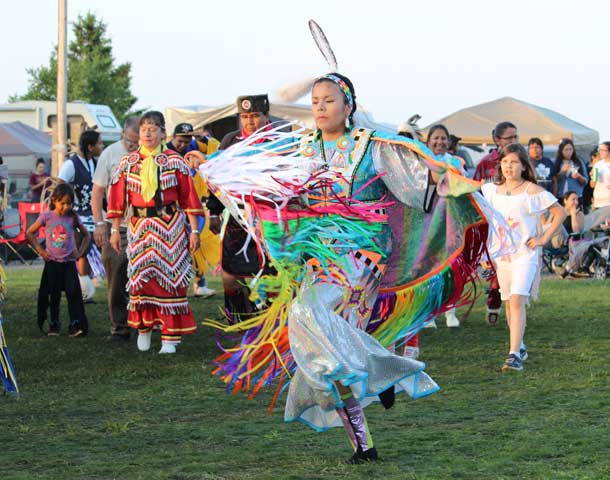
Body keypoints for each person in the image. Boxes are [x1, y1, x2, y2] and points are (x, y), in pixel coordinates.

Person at [201, 73, 488, 463]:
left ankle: (383, 370)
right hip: (317, 260)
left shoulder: (371, 148)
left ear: (349, 106)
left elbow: (418, 188)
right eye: (315, 100)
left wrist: (444, 175)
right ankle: (364, 442)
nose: (319, 107)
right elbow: (271, 190)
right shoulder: (302, 148)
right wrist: (215, 167)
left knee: (311, 320)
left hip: (362, 261)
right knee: (322, 352)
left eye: (329, 100)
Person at [107, 111, 204, 354]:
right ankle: (145, 329)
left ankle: (170, 337)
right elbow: (117, 200)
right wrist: (114, 230)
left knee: (169, 281)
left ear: (163, 132)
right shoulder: (127, 163)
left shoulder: (175, 161)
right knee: (141, 281)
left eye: (153, 128)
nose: (148, 132)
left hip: (169, 227)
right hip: (139, 228)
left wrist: (194, 231)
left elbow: (188, 197)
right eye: (144, 128)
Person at [482, 143, 565, 372]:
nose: (509, 166)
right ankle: (519, 346)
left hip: (525, 255)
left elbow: (560, 212)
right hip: (502, 257)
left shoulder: (532, 191)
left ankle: (513, 356)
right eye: (505, 161)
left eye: (514, 162)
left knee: (518, 299)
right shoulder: (490, 190)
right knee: (509, 302)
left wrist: (543, 239)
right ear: (500, 164)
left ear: (523, 166)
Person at [207, 94, 274, 321]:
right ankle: (237, 318)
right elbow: (215, 178)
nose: (250, 122)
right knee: (230, 275)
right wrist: (214, 212)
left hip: (270, 219)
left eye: (255, 116)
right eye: (245, 116)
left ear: (266, 116)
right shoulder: (231, 140)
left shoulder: (278, 140)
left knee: (269, 272)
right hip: (236, 218)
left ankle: (268, 317)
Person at [91, 117, 140, 342]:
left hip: (145, 224)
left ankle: (148, 324)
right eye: (130, 142)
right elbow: (98, 192)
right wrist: (100, 224)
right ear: (123, 134)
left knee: (147, 276)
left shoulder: (151, 154)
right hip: (116, 225)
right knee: (116, 275)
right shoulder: (109, 154)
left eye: (137, 142)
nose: (134, 146)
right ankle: (119, 327)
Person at [26, 183, 90, 337]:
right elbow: (30, 233)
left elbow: (87, 235)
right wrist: (40, 251)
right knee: (53, 294)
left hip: (68, 263)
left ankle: (75, 324)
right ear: (54, 201)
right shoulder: (46, 217)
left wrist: (80, 251)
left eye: (69, 203)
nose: (66, 207)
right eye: (63, 203)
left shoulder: (72, 217)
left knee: (73, 293)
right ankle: (54, 324)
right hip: (52, 263)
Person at [473, 121, 518, 325]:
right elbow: (475, 191)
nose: (514, 141)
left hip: (515, 223)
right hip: (492, 222)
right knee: (496, 265)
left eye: (516, 137)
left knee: (513, 268)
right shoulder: (486, 163)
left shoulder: (521, 161)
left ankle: (510, 304)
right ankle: (495, 299)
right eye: (510, 137)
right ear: (497, 139)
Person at [58, 129, 104, 301]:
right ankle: (83, 287)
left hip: (95, 213)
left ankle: (86, 282)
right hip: (77, 214)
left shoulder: (96, 163)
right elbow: (60, 186)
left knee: (96, 247)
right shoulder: (71, 164)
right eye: (99, 143)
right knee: (83, 250)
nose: (102, 146)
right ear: (90, 146)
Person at [552, 138, 588, 204]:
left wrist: (579, 176)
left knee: (576, 214)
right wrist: (562, 172)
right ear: (561, 151)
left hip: (576, 198)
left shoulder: (578, 162)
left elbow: (585, 182)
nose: (569, 152)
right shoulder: (556, 162)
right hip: (561, 197)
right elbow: (553, 180)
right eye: (566, 149)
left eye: (570, 149)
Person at [590, 141, 610, 209]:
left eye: (603, 150)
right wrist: (593, 177)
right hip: (598, 200)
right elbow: (592, 185)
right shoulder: (598, 164)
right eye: (599, 150)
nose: (600, 152)